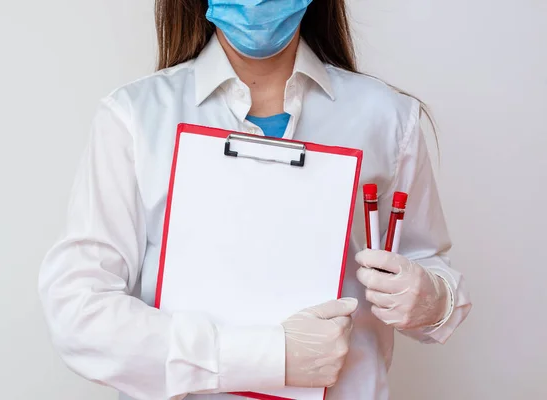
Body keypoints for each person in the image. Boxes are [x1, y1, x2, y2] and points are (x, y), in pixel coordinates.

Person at [38, 1, 472, 399]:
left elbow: (429, 265)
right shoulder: (134, 117)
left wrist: (433, 298)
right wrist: (267, 356)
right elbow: (79, 312)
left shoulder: (389, 118)